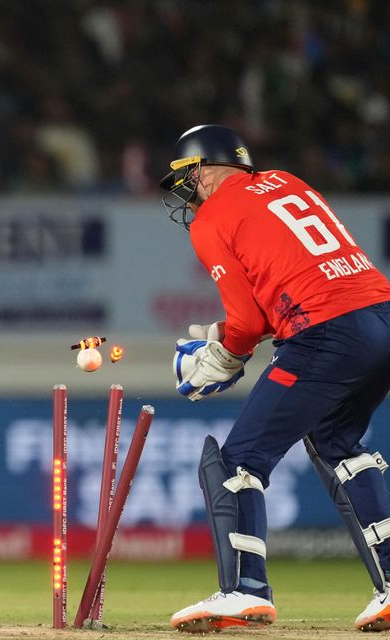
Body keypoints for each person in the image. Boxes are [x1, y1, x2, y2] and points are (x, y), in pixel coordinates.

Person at [159, 124, 390, 633]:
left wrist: (224, 354)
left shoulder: (213, 216)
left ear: (199, 170)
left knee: (237, 459)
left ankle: (243, 592)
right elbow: (286, 290)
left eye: (187, 179)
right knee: (337, 442)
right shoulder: (288, 181)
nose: (188, 192)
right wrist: (231, 336)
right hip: (381, 317)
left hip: (327, 333)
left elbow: (248, 324)